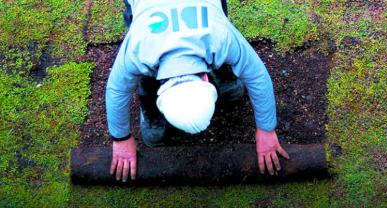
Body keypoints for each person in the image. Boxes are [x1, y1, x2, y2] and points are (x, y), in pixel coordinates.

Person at [105, 0, 289, 182]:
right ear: (205, 78)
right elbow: (117, 90)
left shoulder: (220, 34)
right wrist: (120, 138)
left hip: (205, 14)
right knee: (144, 77)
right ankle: (151, 113)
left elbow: (256, 75)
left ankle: (224, 73)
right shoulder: (139, 47)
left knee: (220, 25)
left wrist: (267, 129)